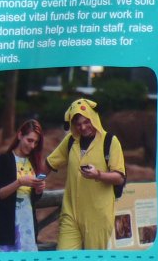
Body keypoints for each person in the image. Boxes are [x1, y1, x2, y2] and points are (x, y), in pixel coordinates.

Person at [45, 98, 126, 250]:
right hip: (70, 214)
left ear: (93, 118)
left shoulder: (110, 141)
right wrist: (35, 180)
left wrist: (98, 175)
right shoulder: (70, 141)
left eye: (86, 121)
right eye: (78, 124)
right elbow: (49, 163)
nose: (83, 127)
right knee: (64, 259)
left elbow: (119, 178)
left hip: (98, 216)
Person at [0, 119, 44, 252]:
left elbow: (33, 199)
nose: (32, 146)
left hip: (28, 226)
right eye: (29, 140)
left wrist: (38, 190)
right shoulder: (5, 159)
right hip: (7, 227)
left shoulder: (33, 162)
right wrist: (19, 182)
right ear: (20, 135)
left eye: (36, 142)